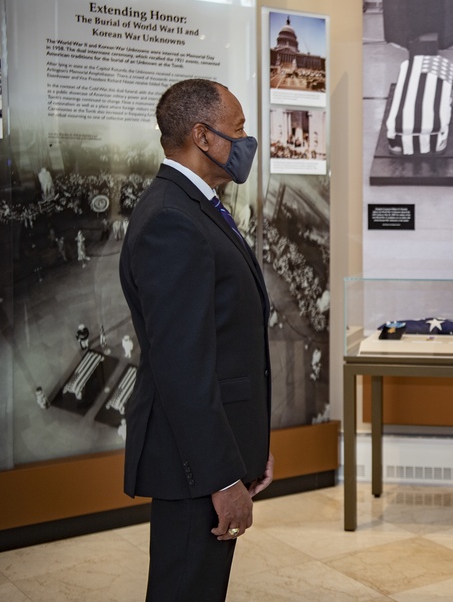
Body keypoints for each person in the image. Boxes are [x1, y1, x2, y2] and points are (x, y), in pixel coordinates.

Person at [119, 79, 274, 601]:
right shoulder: (171, 217)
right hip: (193, 468)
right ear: (203, 137)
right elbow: (183, 367)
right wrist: (223, 477)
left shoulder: (195, 205)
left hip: (210, 455)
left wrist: (251, 446)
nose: (247, 141)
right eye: (240, 130)